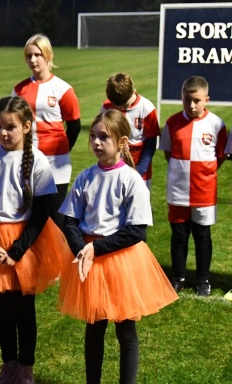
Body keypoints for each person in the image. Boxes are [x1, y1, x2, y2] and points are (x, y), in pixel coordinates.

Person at [58, 110, 178, 384]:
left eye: (104, 137)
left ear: (123, 142)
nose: (96, 142)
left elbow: (136, 231)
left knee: (125, 330)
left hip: (121, 261)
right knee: (94, 327)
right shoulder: (85, 177)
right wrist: (81, 249)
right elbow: (70, 220)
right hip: (89, 259)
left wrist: (95, 249)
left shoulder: (131, 180)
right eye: (93, 136)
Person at [0, 96, 69, 384]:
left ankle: (25, 368)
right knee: (2, 308)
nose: (2, 133)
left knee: (24, 309)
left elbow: (43, 211)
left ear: (25, 127)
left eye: (9, 127)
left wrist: (17, 251)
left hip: (25, 244)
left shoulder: (37, 160)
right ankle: (8, 364)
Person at [159, 76, 228, 297]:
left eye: (196, 100)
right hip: (178, 190)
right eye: (187, 100)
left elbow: (220, 156)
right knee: (179, 235)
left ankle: (203, 280)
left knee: (202, 235)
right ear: (181, 97)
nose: (191, 105)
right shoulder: (172, 123)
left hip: (204, 192)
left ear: (206, 99)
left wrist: (204, 173)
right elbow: (168, 154)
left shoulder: (216, 124)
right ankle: (178, 277)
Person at [11, 33, 81, 228]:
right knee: (29, 217)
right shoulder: (19, 90)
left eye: (38, 55)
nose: (33, 60)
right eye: (29, 55)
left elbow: (74, 125)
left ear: (48, 56)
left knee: (55, 218)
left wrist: (62, 149)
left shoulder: (63, 89)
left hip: (56, 163)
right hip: (27, 160)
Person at [101, 73, 160, 188]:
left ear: (133, 91)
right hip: (112, 167)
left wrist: (140, 169)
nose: (121, 109)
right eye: (117, 106)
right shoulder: (106, 107)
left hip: (139, 168)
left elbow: (151, 143)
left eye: (124, 105)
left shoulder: (147, 108)